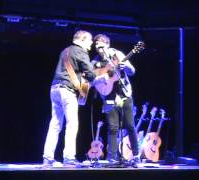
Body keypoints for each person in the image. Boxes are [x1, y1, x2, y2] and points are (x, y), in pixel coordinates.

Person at [42, 30, 108, 166]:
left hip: (54, 88)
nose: (91, 44)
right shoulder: (81, 51)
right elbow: (90, 74)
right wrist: (102, 78)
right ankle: (69, 157)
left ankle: (47, 157)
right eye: (90, 41)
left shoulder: (65, 51)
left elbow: (78, 74)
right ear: (82, 40)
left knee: (55, 124)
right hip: (67, 90)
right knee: (72, 124)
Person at [91, 34, 140, 167]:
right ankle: (111, 158)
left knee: (130, 126)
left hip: (124, 94)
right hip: (108, 96)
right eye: (96, 45)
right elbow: (90, 81)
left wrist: (127, 67)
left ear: (107, 44)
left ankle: (136, 156)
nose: (98, 47)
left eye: (101, 44)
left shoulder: (117, 54)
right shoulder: (94, 62)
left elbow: (132, 71)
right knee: (112, 127)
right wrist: (102, 78)